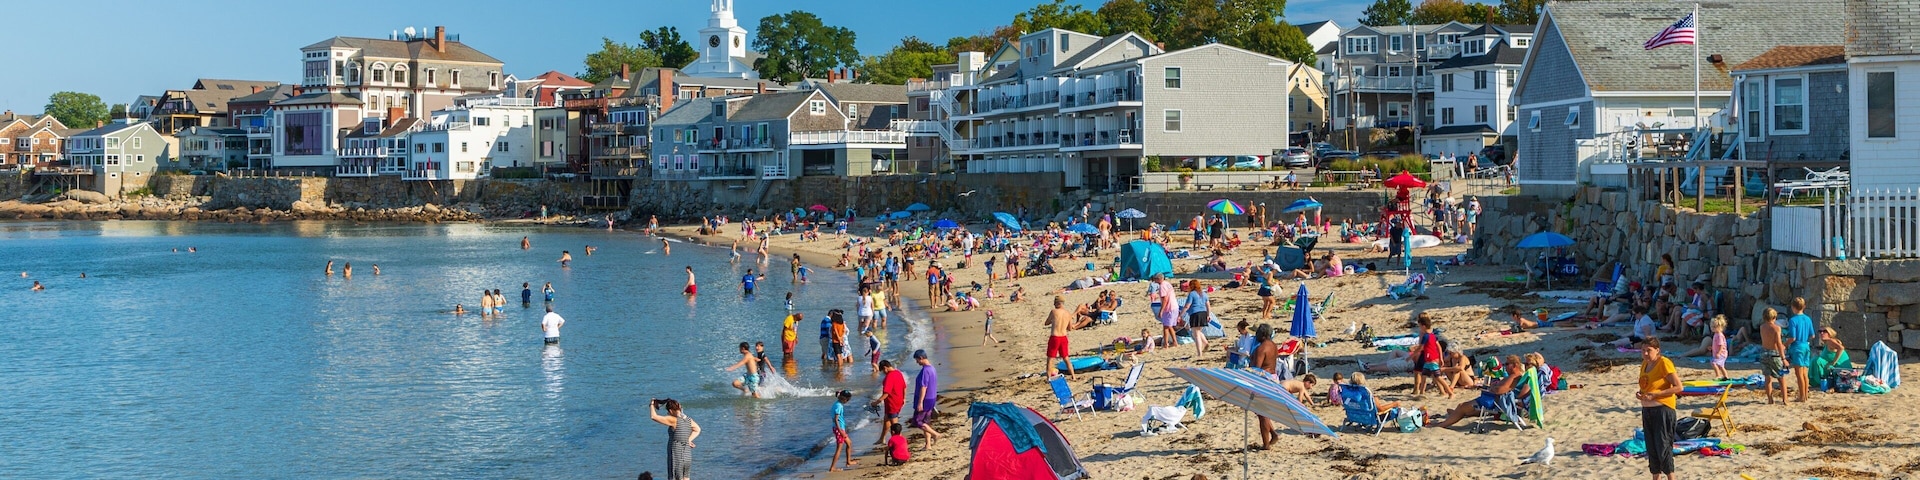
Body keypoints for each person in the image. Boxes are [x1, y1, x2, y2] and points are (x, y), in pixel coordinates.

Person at [1426, 355, 1525, 428]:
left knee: (1462, 407)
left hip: (1493, 402)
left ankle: (1441, 425)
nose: (1505, 366)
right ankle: (1453, 415)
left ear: (1515, 365)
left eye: (1507, 364)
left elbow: (1500, 390)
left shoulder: (1513, 376)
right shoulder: (1516, 376)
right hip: (1493, 400)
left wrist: (1492, 387)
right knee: (1462, 407)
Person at [1636, 338, 1682, 480]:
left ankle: (1671, 478)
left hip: (1663, 410)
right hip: (1647, 411)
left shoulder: (1664, 363)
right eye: (1643, 350)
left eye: (1648, 350)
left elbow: (1679, 387)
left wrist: (1656, 395)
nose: (1645, 353)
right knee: (1652, 448)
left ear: (1657, 350)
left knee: (1663, 447)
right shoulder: (1645, 364)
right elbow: (1647, 385)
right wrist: (1640, 394)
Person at [648, 399, 699, 480]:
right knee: (686, 478)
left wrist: (651, 405)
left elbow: (653, 417)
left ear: (671, 410)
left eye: (668, 412)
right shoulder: (689, 420)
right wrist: (688, 440)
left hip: (676, 456)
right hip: (687, 456)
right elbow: (697, 429)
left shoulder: (673, 420)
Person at [1249, 324, 1280, 449]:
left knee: (1262, 413)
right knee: (1262, 413)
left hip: (1263, 380)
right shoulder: (1273, 345)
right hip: (1273, 378)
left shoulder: (1261, 349)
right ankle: (1273, 434)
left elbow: (1256, 369)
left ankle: (1266, 444)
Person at [1412, 313, 1451, 397]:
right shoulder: (1430, 333)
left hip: (1427, 355)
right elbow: (1437, 346)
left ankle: (1417, 389)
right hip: (1430, 355)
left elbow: (1422, 346)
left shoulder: (1425, 333)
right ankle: (1422, 392)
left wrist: (1414, 354)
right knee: (1428, 375)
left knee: (1420, 372)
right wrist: (1440, 357)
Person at [910, 349, 943, 449]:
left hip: (925, 399)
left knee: (918, 421)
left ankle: (935, 434)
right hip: (932, 398)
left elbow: (923, 387)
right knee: (926, 421)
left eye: (917, 360)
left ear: (921, 358)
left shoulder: (925, 370)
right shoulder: (932, 368)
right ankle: (928, 444)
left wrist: (920, 402)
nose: (917, 362)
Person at [1786, 297, 1815, 403]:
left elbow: (1792, 337)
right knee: (1804, 373)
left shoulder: (1793, 320)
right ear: (1804, 307)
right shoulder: (1808, 319)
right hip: (1806, 346)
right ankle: (1805, 394)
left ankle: (1801, 396)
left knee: (1799, 374)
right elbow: (1812, 335)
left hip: (1797, 347)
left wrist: (1785, 344)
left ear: (1793, 307)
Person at [873, 360, 907, 447]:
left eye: (883, 371)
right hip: (899, 400)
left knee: (894, 426)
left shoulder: (889, 377)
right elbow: (904, 387)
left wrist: (877, 402)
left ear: (885, 368)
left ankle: (900, 443)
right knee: (886, 419)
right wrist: (904, 398)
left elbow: (886, 393)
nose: (883, 373)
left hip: (892, 402)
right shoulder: (898, 373)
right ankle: (882, 438)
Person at [1758, 308, 1787, 404]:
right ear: (1774, 317)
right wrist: (1783, 358)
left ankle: (1770, 399)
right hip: (1774, 354)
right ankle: (1785, 399)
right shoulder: (1776, 328)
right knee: (1781, 378)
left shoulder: (1762, 327)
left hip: (1764, 353)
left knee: (1767, 378)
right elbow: (1778, 343)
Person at [1043, 296, 1075, 380]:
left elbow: (1046, 322)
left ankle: (1048, 377)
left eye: (1054, 302)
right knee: (1066, 358)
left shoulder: (1054, 312)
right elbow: (1070, 328)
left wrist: (1053, 321)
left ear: (1058, 303)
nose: (1053, 304)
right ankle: (1073, 376)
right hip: (1063, 337)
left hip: (1055, 337)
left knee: (1050, 358)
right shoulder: (1068, 313)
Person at [829, 390, 858, 471]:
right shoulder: (839, 406)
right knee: (839, 448)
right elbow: (836, 420)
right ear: (844, 399)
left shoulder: (837, 404)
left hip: (840, 428)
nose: (848, 401)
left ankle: (848, 461)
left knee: (849, 443)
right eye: (848, 400)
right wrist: (841, 431)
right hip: (839, 429)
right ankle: (832, 467)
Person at [1180, 280, 1211, 357]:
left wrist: (1180, 315)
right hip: (1203, 313)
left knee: (1196, 334)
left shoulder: (1192, 294)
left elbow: (1187, 306)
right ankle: (1206, 343)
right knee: (1198, 331)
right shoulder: (1204, 294)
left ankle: (1199, 353)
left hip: (1195, 313)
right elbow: (1208, 305)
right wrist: (1208, 315)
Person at [1709, 315, 1730, 381]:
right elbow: (1716, 344)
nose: (1713, 328)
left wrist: (1718, 353)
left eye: (1714, 327)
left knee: (1713, 363)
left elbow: (1721, 345)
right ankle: (1726, 377)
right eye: (1712, 327)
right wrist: (1712, 348)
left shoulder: (1719, 335)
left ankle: (1718, 375)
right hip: (1720, 353)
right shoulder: (1716, 334)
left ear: (1720, 327)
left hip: (1721, 353)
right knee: (1721, 366)